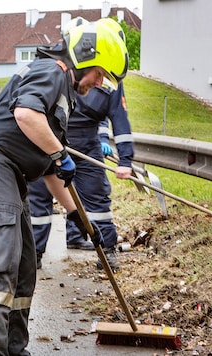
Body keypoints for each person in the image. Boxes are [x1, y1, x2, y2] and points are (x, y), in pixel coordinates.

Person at [0, 18, 128, 355]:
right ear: (84, 56)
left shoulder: (64, 89)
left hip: (10, 172)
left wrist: (76, 215)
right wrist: (59, 153)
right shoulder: (52, 71)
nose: (99, 82)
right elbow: (26, 115)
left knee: (23, 271)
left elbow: (53, 170)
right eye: (99, 73)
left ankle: (14, 350)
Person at [29, 83, 134, 272]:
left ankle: (106, 251)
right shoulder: (61, 71)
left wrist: (125, 160)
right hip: (50, 140)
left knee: (96, 198)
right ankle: (33, 254)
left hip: (87, 142)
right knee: (38, 199)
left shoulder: (111, 82)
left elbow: (119, 119)